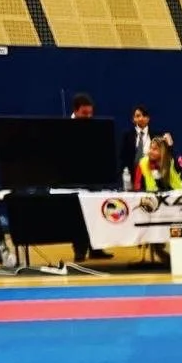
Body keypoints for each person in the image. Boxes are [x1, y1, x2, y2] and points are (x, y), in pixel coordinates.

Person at [69, 93, 112, 261]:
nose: (88, 116)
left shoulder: (94, 126)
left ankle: (96, 248)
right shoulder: (64, 128)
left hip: (93, 177)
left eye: (90, 113)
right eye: (84, 113)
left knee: (96, 212)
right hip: (74, 178)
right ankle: (79, 250)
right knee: (78, 216)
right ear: (75, 111)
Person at [120, 104, 152, 180]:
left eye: (144, 115)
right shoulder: (127, 136)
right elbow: (122, 158)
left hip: (151, 176)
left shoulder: (156, 136)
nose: (141, 118)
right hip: (132, 177)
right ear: (133, 119)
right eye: (138, 116)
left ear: (148, 118)